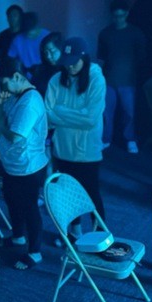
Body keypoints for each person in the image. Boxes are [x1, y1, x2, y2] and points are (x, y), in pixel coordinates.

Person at [45, 37, 107, 237]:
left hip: (87, 152)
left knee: (91, 194)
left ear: (84, 58)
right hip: (62, 150)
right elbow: (47, 114)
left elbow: (90, 119)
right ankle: (74, 233)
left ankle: (100, 237)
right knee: (67, 195)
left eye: (74, 62)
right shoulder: (56, 79)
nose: (70, 66)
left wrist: (60, 110)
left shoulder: (96, 79)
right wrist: (74, 115)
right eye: (67, 62)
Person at [0, 59, 48, 269]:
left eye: (4, 83)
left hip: (29, 167)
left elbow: (16, 136)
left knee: (29, 208)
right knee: (12, 201)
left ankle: (35, 252)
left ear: (17, 77)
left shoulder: (30, 101)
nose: (3, 88)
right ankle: (18, 237)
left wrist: (1, 126)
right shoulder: (14, 96)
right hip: (12, 164)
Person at [97, 0, 146, 153]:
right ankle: (106, 139)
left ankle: (130, 139)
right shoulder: (105, 33)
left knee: (129, 113)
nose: (119, 19)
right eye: (116, 16)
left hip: (128, 80)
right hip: (109, 79)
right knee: (106, 112)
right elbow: (101, 58)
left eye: (121, 16)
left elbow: (141, 57)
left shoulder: (135, 33)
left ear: (127, 14)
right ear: (112, 16)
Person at [31, 32, 63, 97]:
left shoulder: (70, 70)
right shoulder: (40, 71)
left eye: (52, 51)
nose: (48, 56)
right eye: (46, 53)